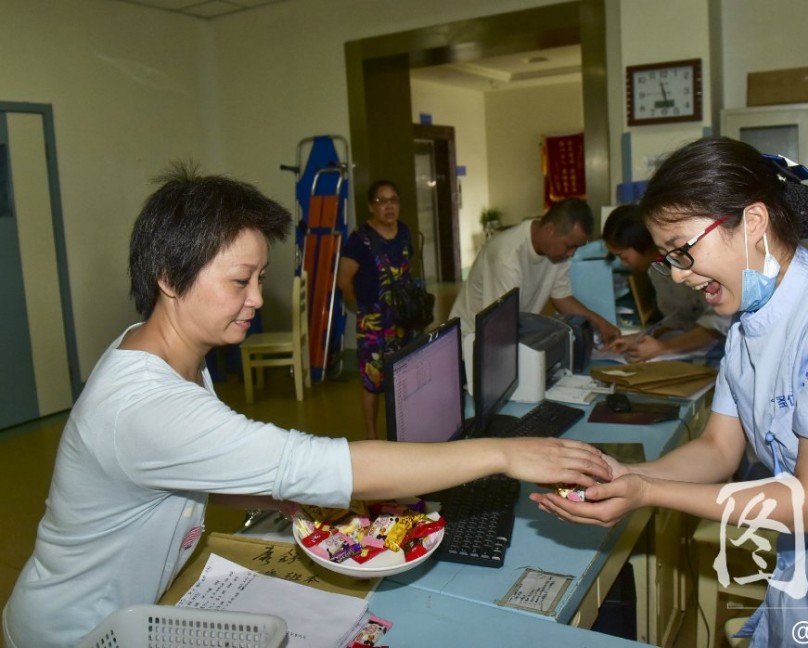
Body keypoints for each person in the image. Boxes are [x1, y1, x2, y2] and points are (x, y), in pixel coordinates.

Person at [1, 165, 612, 648]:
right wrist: (505, 452)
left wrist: (278, 498)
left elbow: (187, 475)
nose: (254, 300)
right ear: (169, 274)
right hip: (77, 633)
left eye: (258, 279)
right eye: (239, 281)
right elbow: (316, 462)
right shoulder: (145, 406)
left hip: (134, 607)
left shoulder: (164, 352)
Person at [531, 137, 808, 643]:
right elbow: (717, 449)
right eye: (668, 260)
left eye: (683, 251)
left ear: (753, 222)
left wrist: (649, 492)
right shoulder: (751, 322)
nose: (681, 276)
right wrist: (625, 475)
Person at [449, 197, 620, 343]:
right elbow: (500, 324)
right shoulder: (507, 256)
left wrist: (602, 325)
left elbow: (562, 297)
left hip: (512, 332)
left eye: (577, 247)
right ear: (549, 230)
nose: (572, 253)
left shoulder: (558, 254)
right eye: (569, 246)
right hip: (473, 342)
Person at [337, 179, 419, 440]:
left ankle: (404, 430)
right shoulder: (359, 241)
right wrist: (359, 308)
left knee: (404, 376)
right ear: (371, 207)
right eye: (382, 201)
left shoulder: (404, 232)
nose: (389, 206)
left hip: (403, 320)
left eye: (393, 200)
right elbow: (343, 279)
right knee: (373, 382)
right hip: (373, 324)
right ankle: (373, 436)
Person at [601, 203, 731, 363]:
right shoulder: (657, 270)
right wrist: (640, 339)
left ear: (642, 243)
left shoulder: (701, 264)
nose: (624, 263)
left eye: (623, 256)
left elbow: (716, 326)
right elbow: (675, 320)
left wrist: (663, 347)